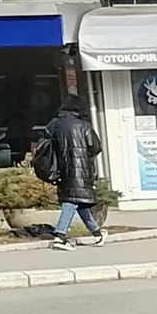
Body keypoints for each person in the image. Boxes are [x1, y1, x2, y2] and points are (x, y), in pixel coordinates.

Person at [41, 95, 105, 248]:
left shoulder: (54, 124)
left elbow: (46, 146)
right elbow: (95, 147)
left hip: (61, 170)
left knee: (77, 200)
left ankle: (97, 233)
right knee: (71, 201)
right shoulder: (83, 126)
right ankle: (60, 236)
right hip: (80, 171)